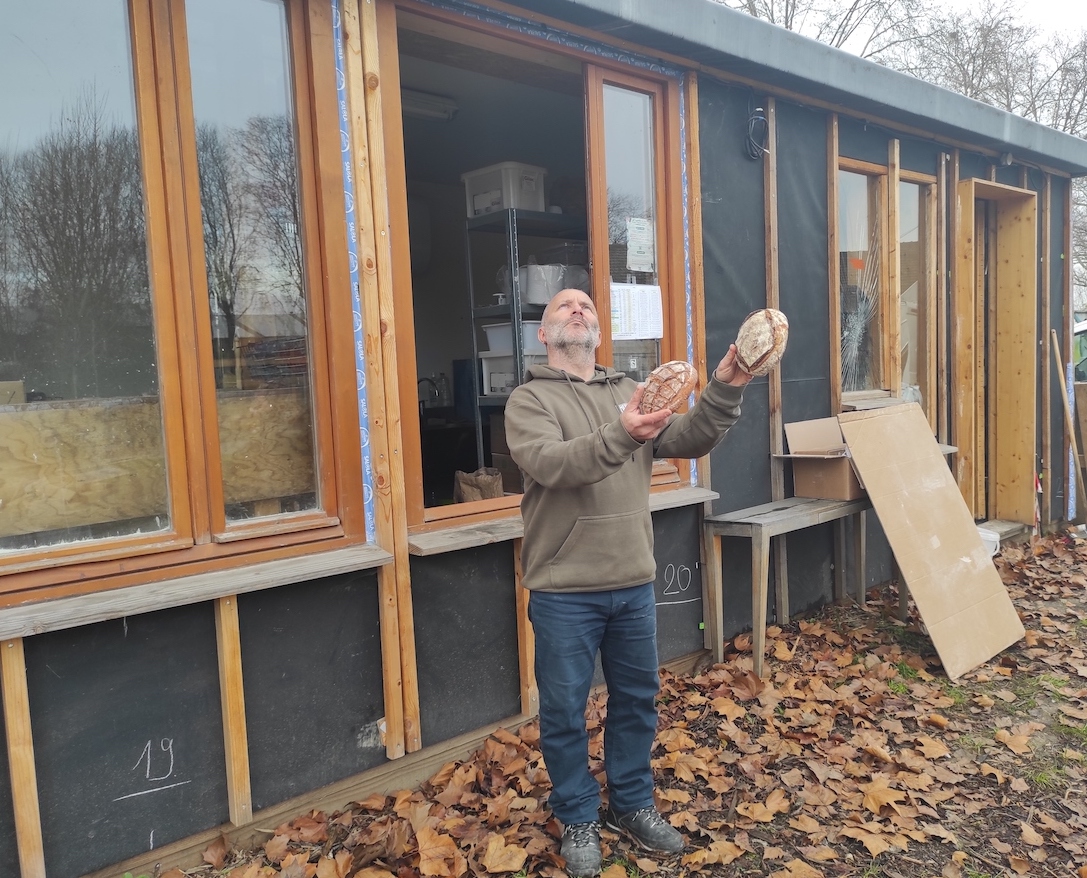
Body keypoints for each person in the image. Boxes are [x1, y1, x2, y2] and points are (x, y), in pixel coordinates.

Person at [504, 288, 752, 877]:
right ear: (544, 333)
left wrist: (725, 387)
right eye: (564, 307)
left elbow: (687, 438)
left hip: (633, 581)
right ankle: (578, 814)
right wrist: (626, 433)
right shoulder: (528, 400)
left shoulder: (628, 391)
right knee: (565, 710)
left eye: (587, 306)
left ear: (597, 329)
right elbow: (555, 465)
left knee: (638, 702)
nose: (578, 311)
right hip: (564, 587)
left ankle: (632, 805)